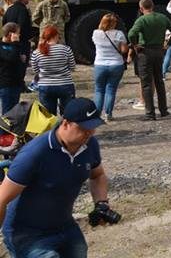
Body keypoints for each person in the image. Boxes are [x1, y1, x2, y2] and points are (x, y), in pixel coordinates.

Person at [0, 97, 116, 258]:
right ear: (66, 123)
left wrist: (101, 203)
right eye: (84, 128)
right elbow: (2, 198)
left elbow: (98, 175)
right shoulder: (35, 154)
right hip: (26, 233)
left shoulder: (89, 145)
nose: (89, 133)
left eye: (93, 127)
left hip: (64, 225)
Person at [128, 0, 171, 121]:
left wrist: (135, 45)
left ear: (141, 8)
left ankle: (150, 113)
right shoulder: (162, 17)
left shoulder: (142, 20)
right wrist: (167, 44)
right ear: (153, 6)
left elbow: (131, 34)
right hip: (159, 51)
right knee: (159, 81)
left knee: (146, 83)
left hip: (145, 52)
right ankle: (164, 110)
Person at [31, 26, 76, 116]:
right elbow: (72, 67)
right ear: (56, 36)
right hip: (65, 84)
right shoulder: (66, 49)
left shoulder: (37, 52)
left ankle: (51, 130)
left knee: (48, 116)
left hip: (45, 85)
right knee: (68, 114)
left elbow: (35, 70)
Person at [91, 13, 127, 122]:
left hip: (100, 64)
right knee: (110, 90)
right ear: (113, 23)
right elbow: (124, 50)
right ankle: (108, 114)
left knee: (98, 90)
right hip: (116, 64)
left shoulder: (96, 33)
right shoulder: (119, 34)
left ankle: (96, 115)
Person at [0, 24, 25, 113]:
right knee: (7, 113)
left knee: (15, 112)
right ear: (11, 34)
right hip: (6, 84)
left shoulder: (15, 45)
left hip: (16, 83)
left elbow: (14, 59)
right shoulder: (2, 47)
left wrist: (21, 58)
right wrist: (15, 43)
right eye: (18, 33)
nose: (19, 35)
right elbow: (11, 58)